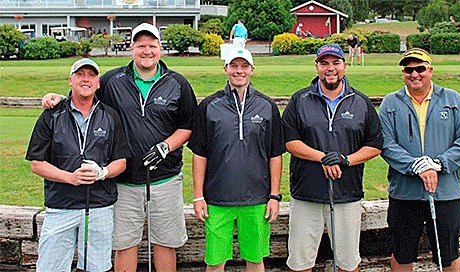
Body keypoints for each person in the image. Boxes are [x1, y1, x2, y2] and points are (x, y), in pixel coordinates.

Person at [41, 23, 198, 271]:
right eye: (140, 46)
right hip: (123, 182)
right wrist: (58, 98)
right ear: (131, 49)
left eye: (152, 45)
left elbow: (188, 125)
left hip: (165, 179)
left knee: (165, 243)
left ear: (160, 49)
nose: (147, 51)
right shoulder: (113, 80)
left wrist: (165, 147)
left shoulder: (177, 83)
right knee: (125, 244)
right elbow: (85, 94)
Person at [282, 44, 383, 272]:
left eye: (336, 63)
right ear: (316, 66)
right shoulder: (300, 100)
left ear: (344, 66)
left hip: (346, 193)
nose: (330, 68)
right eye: (324, 63)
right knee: (300, 262)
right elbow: (289, 141)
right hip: (307, 192)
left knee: (348, 263)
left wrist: (345, 160)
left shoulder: (361, 102)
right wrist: (323, 158)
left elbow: (375, 144)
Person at [26, 58, 130, 271]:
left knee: (97, 268)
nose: (86, 79)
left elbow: (121, 161)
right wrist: (70, 178)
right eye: (80, 74)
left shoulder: (110, 116)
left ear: (98, 83)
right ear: (70, 80)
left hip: (99, 206)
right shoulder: (52, 115)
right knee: (50, 267)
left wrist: (102, 173)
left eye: (91, 75)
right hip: (60, 206)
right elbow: (37, 163)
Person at [188, 47, 285, 272]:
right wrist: (198, 196)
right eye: (234, 66)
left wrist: (274, 195)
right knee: (214, 263)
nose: (238, 71)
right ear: (225, 69)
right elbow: (199, 153)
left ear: (252, 70)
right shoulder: (209, 106)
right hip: (218, 199)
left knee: (255, 260)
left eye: (243, 66)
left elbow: (275, 154)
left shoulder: (267, 106)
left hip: (257, 198)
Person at [378, 48, 460, 271]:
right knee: (402, 254)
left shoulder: (452, 100)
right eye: (409, 69)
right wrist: (416, 165)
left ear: (430, 70)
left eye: (420, 68)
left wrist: (439, 163)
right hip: (405, 193)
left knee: (449, 254)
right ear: (403, 72)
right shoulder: (390, 103)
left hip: (445, 192)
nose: (415, 74)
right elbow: (385, 144)